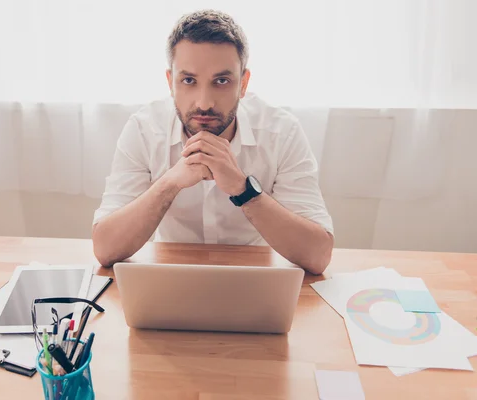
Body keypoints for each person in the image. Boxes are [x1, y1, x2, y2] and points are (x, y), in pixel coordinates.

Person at [92, 9, 334, 275]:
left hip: (253, 280)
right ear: (170, 82)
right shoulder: (143, 130)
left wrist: (244, 191)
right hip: (170, 280)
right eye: (188, 80)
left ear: (243, 83)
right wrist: (170, 183)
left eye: (221, 81)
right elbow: (105, 249)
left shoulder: (282, 132)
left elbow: (318, 256)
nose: (204, 103)